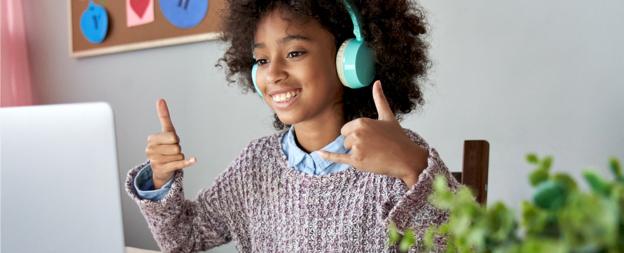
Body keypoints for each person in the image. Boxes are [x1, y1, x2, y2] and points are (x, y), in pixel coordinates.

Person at [125, 0, 459, 252]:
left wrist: (414, 167)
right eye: (262, 60)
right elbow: (183, 238)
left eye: (295, 53)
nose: (272, 74)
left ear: (351, 60)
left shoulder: (397, 156)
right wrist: (160, 179)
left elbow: (462, 243)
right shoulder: (255, 165)